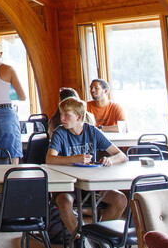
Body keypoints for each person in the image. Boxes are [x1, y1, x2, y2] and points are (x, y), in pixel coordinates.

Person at [47, 96, 128, 235]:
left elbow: (121, 156)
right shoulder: (59, 133)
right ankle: (78, 240)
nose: (62, 119)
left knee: (120, 200)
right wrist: (74, 159)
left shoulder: (92, 131)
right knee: (64, 204)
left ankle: (99, 236)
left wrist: (110, 160)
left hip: (91, 185)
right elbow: (49, 159)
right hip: (68, 185)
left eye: (67, 115)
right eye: (62, 115)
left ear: (79, 118)